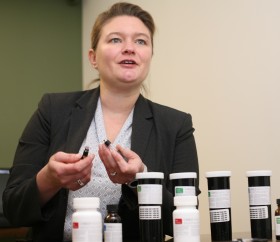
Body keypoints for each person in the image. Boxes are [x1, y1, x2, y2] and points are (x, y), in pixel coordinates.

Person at [3, 2, 200, 242]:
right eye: (116, 40)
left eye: (141, 41)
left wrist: (142, 179)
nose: (129, 48)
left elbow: (183, 220)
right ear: (93, 57)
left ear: (150, 56)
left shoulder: (176, 125)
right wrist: (50, 179)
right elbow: (13, 209)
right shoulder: (53, 110)